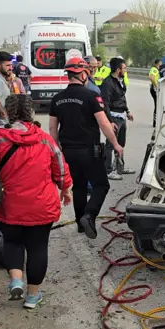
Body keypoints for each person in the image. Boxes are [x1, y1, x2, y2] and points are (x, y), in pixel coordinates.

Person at [0, 94, 73, 309]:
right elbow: (61, 170)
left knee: (12, 242)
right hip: (42, 205)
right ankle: (32, 296)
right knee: (38, 248)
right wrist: (65, 190)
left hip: (9, 205)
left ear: (7, 113)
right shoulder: (45, 140)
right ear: (32, 113)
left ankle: (16, 279)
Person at [49, 57, 123, 240]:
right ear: (83, 74)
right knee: (101, 185)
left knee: (79, 186)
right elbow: (104, 124)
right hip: (89, 150)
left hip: (68, 150)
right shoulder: (91, 96)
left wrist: (57, 149)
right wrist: (115, 144)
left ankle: (79, 223)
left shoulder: (57, 99)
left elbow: (52, 128)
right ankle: (89, 216)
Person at [100, 57, 135, 180]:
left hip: (122, 116)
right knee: (110, 144)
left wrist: (127, 111)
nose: (125, 70)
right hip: (113, 117)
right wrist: (110, 122)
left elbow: (122, 98)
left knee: (121, 143)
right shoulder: (107, 83)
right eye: (124, 68)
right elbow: (105, 104)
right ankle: (108, 170)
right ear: (117, 69)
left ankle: (120, 167)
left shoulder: (120, 81)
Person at [149, 59, 162, 127]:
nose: (161, 64)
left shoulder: (157, 70)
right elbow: (151, 77)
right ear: (158, 63)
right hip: (154, 89)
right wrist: (156, 86)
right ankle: (155, 122)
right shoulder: (154, 69)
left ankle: (156, 122)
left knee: (158, 105)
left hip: (155, 89)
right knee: (157, 106)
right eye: (160, 63)